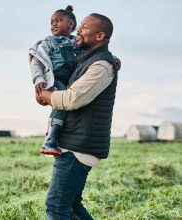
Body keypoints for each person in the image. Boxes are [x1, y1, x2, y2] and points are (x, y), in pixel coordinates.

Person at [37, 13, 119, 219]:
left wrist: (46, 95)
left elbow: (73, 99)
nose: (78, 31)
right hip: (76, 141)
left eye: (84, 27)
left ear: (100, 36)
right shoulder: (88, 59)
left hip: (79, 146)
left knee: (56, 206)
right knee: (72, 205)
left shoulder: (101, 65)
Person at [29, 5, 80, 156]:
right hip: (55, 80)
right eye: (52, 22)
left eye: (58, 20)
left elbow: (94, 51)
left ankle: (64, 139)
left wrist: (112, 58)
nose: (54, 24)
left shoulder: (78, 42)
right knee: (60, 105)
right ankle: (49, 141)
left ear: (70, 24)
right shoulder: (48, 42)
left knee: (71, 108)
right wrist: (38, 78)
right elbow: (36, 62)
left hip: (72, 82)